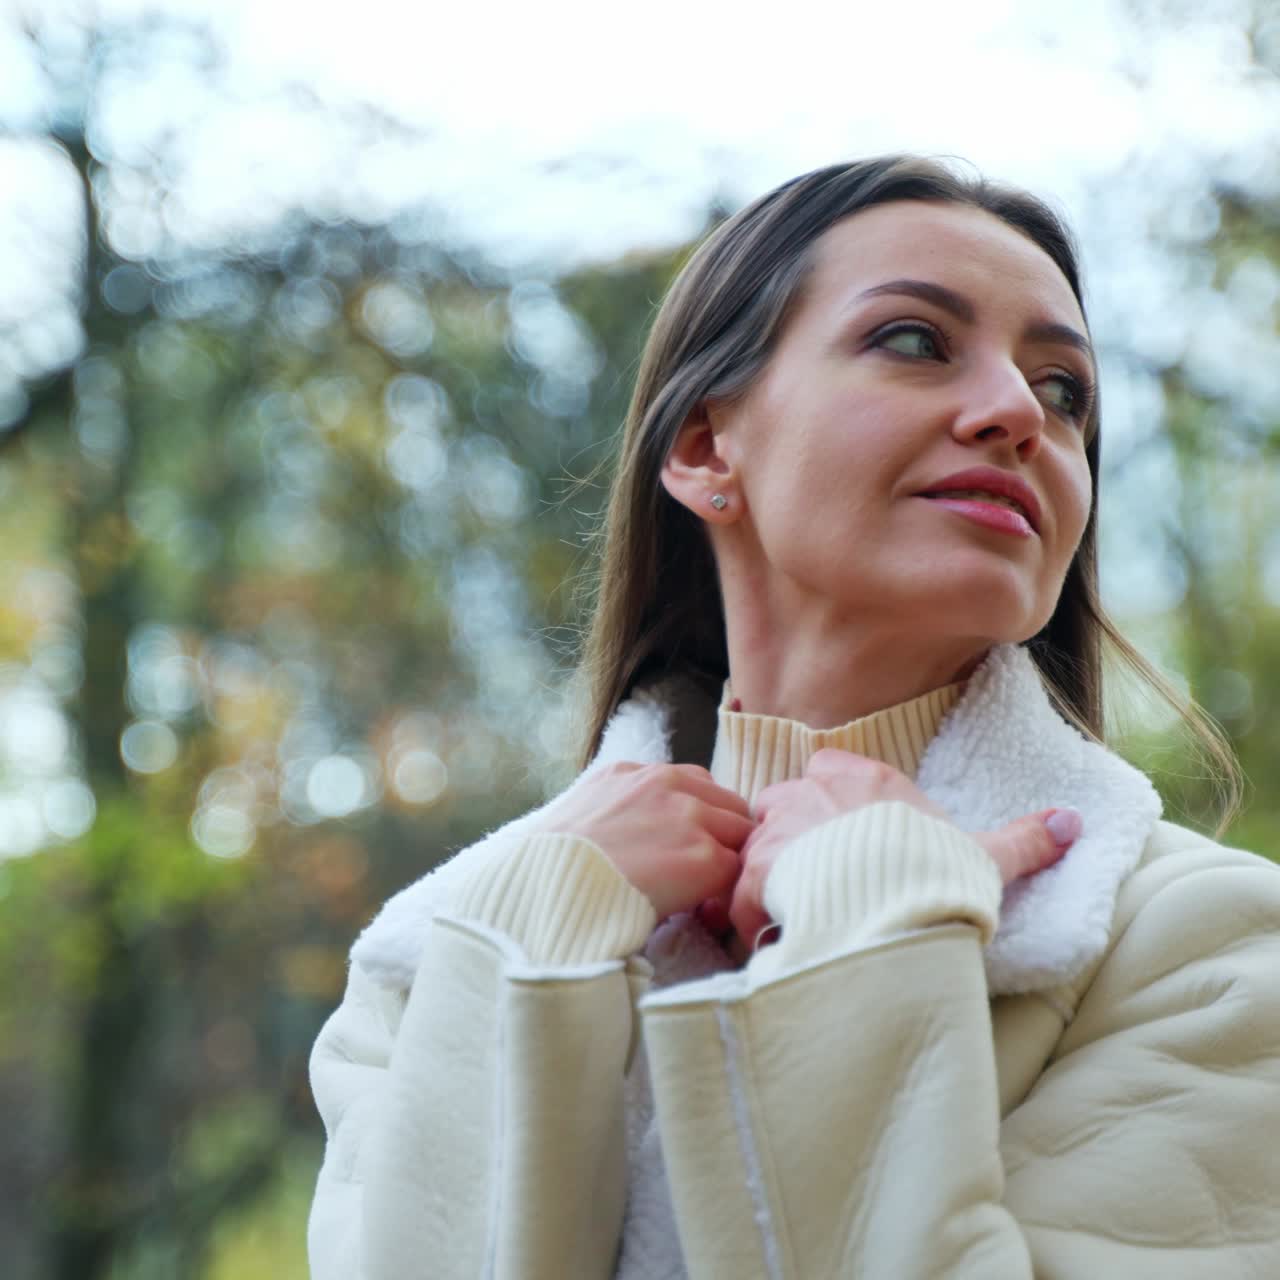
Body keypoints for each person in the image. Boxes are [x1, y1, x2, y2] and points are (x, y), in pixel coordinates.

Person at [306, 156, 1280, 1279]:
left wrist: (867, 918)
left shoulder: (1210, 950)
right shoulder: (432, 961)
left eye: (1062, 390)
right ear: (703, 447)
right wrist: (536, 943)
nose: (1019, 410)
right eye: (914, 340)